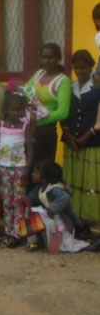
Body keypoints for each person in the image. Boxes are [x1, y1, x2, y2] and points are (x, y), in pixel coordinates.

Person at [61, 50, 100, 223]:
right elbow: (64, 113)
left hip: (92, 141)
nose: (80, 71)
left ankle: (90, 219)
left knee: (90, 181)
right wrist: (67, 133)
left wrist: (87, 135)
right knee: (74, 180)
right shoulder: (70, 87)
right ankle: (75, 219)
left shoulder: (97, 86)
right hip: (72, 142)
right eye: (76, 68)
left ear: (91, 66)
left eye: (83, 68)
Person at [0, 93, 33, 249]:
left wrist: (27, 170)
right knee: (7, 201)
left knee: (18, 201)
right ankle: (9, 231)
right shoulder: (0, 125)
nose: (16, 112)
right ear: (6, 109)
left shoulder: (25, 126)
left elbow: (30, 148)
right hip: (3, 169)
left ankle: (19, 233)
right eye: (12, 109)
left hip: (19, 168)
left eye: (19, 109)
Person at [27, 161, 88, 253]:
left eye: (36, 173)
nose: (33, 174)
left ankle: (44, 242)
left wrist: (52, 210)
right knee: (30, 211)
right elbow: (30, 200)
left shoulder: (55, 189)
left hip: (60, 221)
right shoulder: (40, 188)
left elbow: (65, 197)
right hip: (51, 218)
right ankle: (36, 241)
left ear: (45, 177)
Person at [25, 43, 71, 163]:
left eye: (50, 57)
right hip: (29, 128)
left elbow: (63, 113)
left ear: (58, 58)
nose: (47, 61)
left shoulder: (63, 81)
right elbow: (26, 91)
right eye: (44, 57)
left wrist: (37, 121)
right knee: (27, 167)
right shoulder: (38, 74)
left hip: (46, 131)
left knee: (43, 170)